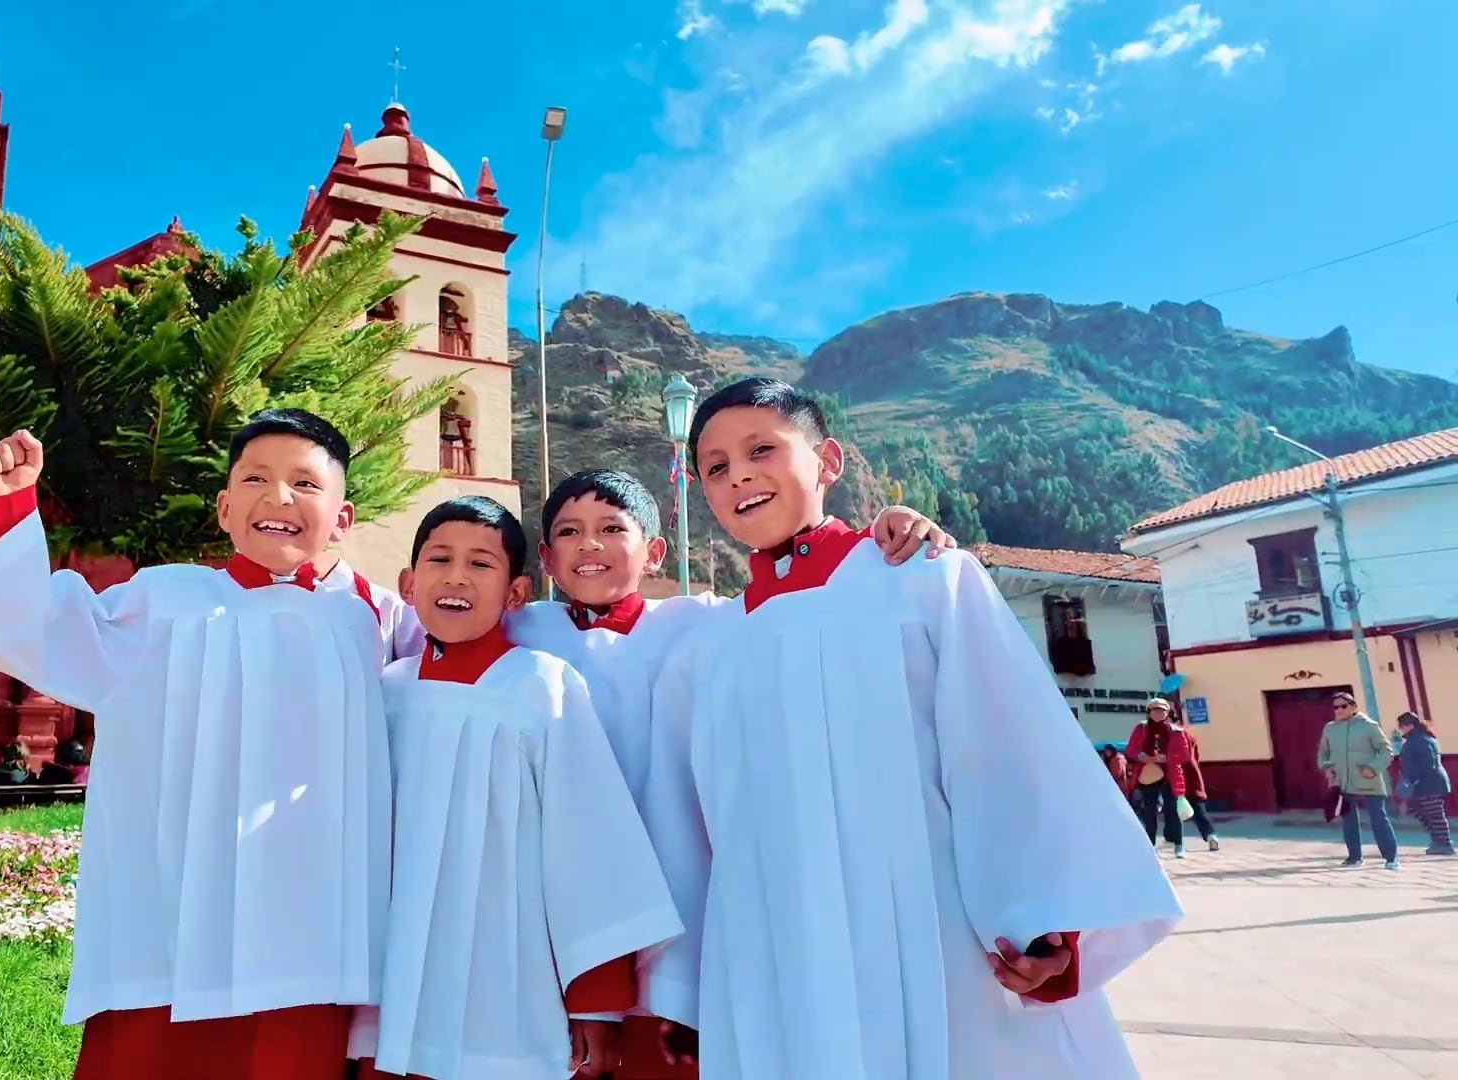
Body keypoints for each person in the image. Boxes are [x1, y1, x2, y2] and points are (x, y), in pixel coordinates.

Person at [639, 378, 1181, 1079]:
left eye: (761, 448)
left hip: (935, 938)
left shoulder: (924, 582)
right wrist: (685, 994)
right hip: (770, 954)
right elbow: (687, 835)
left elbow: (1008, 753)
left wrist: (1050, 922)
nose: (738, 473)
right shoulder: (702, 653)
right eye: (715, 467)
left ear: (828, 461)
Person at [0, 410, 421, 1080]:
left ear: (342, 519)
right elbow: (40, 628)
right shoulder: (163, 600)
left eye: (304, 483)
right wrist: (1, 512)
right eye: (256, 479)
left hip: (313, 925)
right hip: (173, 913)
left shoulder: (375, 620)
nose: (279, 497)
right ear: (225, 509)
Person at [507, 469, 953, 1080]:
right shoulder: (520, 634)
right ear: (547, 561)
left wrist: (892, 526)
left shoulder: (703, 627)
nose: (590, 545)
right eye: (570, 533)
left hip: (679, 901)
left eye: (613, 528)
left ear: (655, 551)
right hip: (555, 903)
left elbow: (806, 595)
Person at [349, 496, 681, 1080]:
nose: (456, 577)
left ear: (516, 594)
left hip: (506, 963)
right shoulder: (385, 692)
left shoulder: (541, 688)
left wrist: (596, 1000)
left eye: (480, 564)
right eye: (439, 559)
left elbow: (589, 847)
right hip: (396, 967)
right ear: (408, 582)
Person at [1317, 692, 1398, 870]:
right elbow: (1323, 753)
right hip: (1343, 781)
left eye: (1343, 706)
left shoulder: (1369, 726)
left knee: (1378, 819)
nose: (1338, 710)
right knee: (1348, 820)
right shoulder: (1330, 728)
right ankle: (1354, 857)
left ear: (1353, 706)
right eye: (1335, 707)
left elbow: (1386, 751)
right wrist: (1326, 767)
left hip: (1368, 779)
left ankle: (1391, 858)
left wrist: (1372, 768)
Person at [1124, 700, 1190, 858]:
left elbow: (1184, 754)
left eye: (1161, 710)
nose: (1158, 713)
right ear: (1149, 712)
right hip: (1148, 773)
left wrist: (1165, 758)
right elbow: (1131, 749)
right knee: (1149, 810)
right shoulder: (1142, 728)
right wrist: (1143, 757)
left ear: (1167, 712)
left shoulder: (1176, 731)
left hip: (1170, 774)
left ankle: (1179, 844)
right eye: (1154, 710)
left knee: (1173, 809)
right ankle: (1150, 844)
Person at [1396, 711, 1452, 856]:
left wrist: (1411, 778)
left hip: (1429, 782)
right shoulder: (1418, 738)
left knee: (1434, 813)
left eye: (1402, 725)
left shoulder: (1420, 739)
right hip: (1424, 782)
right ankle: (1438, 841)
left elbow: (1427, 763)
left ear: (1410, 725)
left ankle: (1444, 843)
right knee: (1421, 811)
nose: (1400, 729)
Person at [1173, 714, 1220, 852]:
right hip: (1193, 775)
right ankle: (1211, 836)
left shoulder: (1173, 737)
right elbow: (1196, 757)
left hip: (1178, 776)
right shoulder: (1190, 737)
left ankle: (1176, 841)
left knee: (1174, 811)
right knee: (1199, 810)